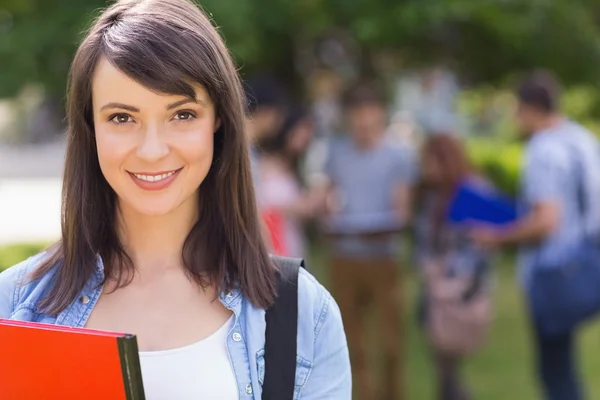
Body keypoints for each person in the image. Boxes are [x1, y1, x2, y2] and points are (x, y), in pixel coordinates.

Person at [0, 1, 351, 399]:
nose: (152, 150)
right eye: (121, 118)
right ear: (90, 126)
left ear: (218, 119)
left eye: (182, 115)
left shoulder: (304, 312)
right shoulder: (12, 304)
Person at [471, 70, 600, 400]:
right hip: (587, 260)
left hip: (553, 270)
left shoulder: (543, 149)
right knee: (565, 364)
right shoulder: (581, 139)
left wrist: (496, 237)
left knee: (555, 372)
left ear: (530, 108)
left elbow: (546, 220)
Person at [317, 82, 415, 400]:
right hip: (345, 255)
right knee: (350, 340)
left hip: (383, 257)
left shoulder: (398, 155)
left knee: (390, 342)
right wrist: (328, 215)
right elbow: (329, 197)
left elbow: (402, 211)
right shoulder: (337, 152)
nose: (363, 126)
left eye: (369, 119)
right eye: (357, 119)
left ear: (381, 116)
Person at [415, 134, 493, 400]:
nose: (427, 169)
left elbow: (484, 243)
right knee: (442, 364)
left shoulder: (473, 191)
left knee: (448, 364)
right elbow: (424, 241)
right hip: (435, 289)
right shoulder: (433, 196)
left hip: (463, 289)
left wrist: (454, 275)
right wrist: (429, 268)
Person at [258, 106, 317, 257]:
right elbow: (258, 204)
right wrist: (294, 207)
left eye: (308, 131)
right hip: (270, 245)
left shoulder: (297, 166)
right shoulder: (262, 163)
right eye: (301, 130)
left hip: (293, 241)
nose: (305, 136)